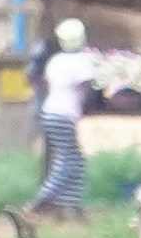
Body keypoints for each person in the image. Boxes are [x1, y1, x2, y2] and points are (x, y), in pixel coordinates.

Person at [32, 20, 98, 217]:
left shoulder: (56, 60)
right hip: (64, 114)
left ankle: (70, 205)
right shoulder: (82, 61)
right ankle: (40, 201)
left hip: (49, 111)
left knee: (75, 160)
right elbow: (88, 89)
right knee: (67, 161)